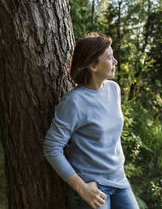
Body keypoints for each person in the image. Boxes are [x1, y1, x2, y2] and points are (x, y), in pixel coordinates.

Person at [43, 33, 139, 209]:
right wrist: (81, 187)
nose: (115, 61)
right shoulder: (74, 102)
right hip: (93, 187)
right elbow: (52, 147)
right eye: (109, 58)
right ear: (93, 66)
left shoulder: (114, 90)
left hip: (119, 181)